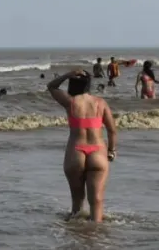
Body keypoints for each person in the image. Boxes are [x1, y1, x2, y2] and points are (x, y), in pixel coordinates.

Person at [47, 69, 117, 223]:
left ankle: (76, 233)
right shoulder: (100, 103)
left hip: (76, 152)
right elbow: (112, 130)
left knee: (77, 201)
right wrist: (111, 151)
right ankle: (96, 232)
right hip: (98, 152)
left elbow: (51, 86)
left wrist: (67, 74)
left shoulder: (70, 102)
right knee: (97, 200)